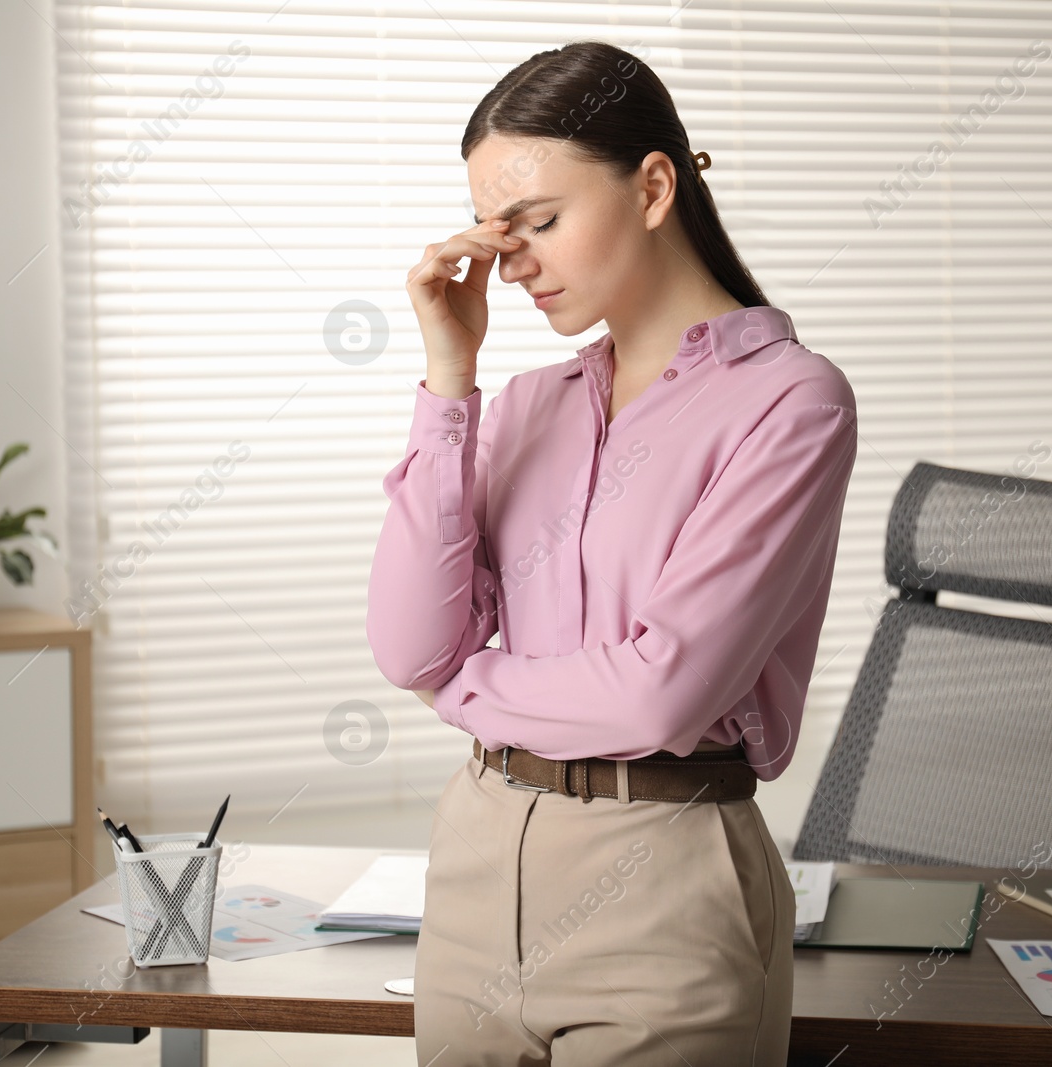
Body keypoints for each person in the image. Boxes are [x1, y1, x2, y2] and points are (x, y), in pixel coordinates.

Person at [367, 39, 856, 1067]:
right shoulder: (528, 404)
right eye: (500, 235)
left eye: (539, 222)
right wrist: (448, 383)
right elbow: (412, 644)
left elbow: (659, 696)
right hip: (474, 866)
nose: (515, 261)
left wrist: (467, 688)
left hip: (664, 880)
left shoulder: (788, 402)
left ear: (652, 187)